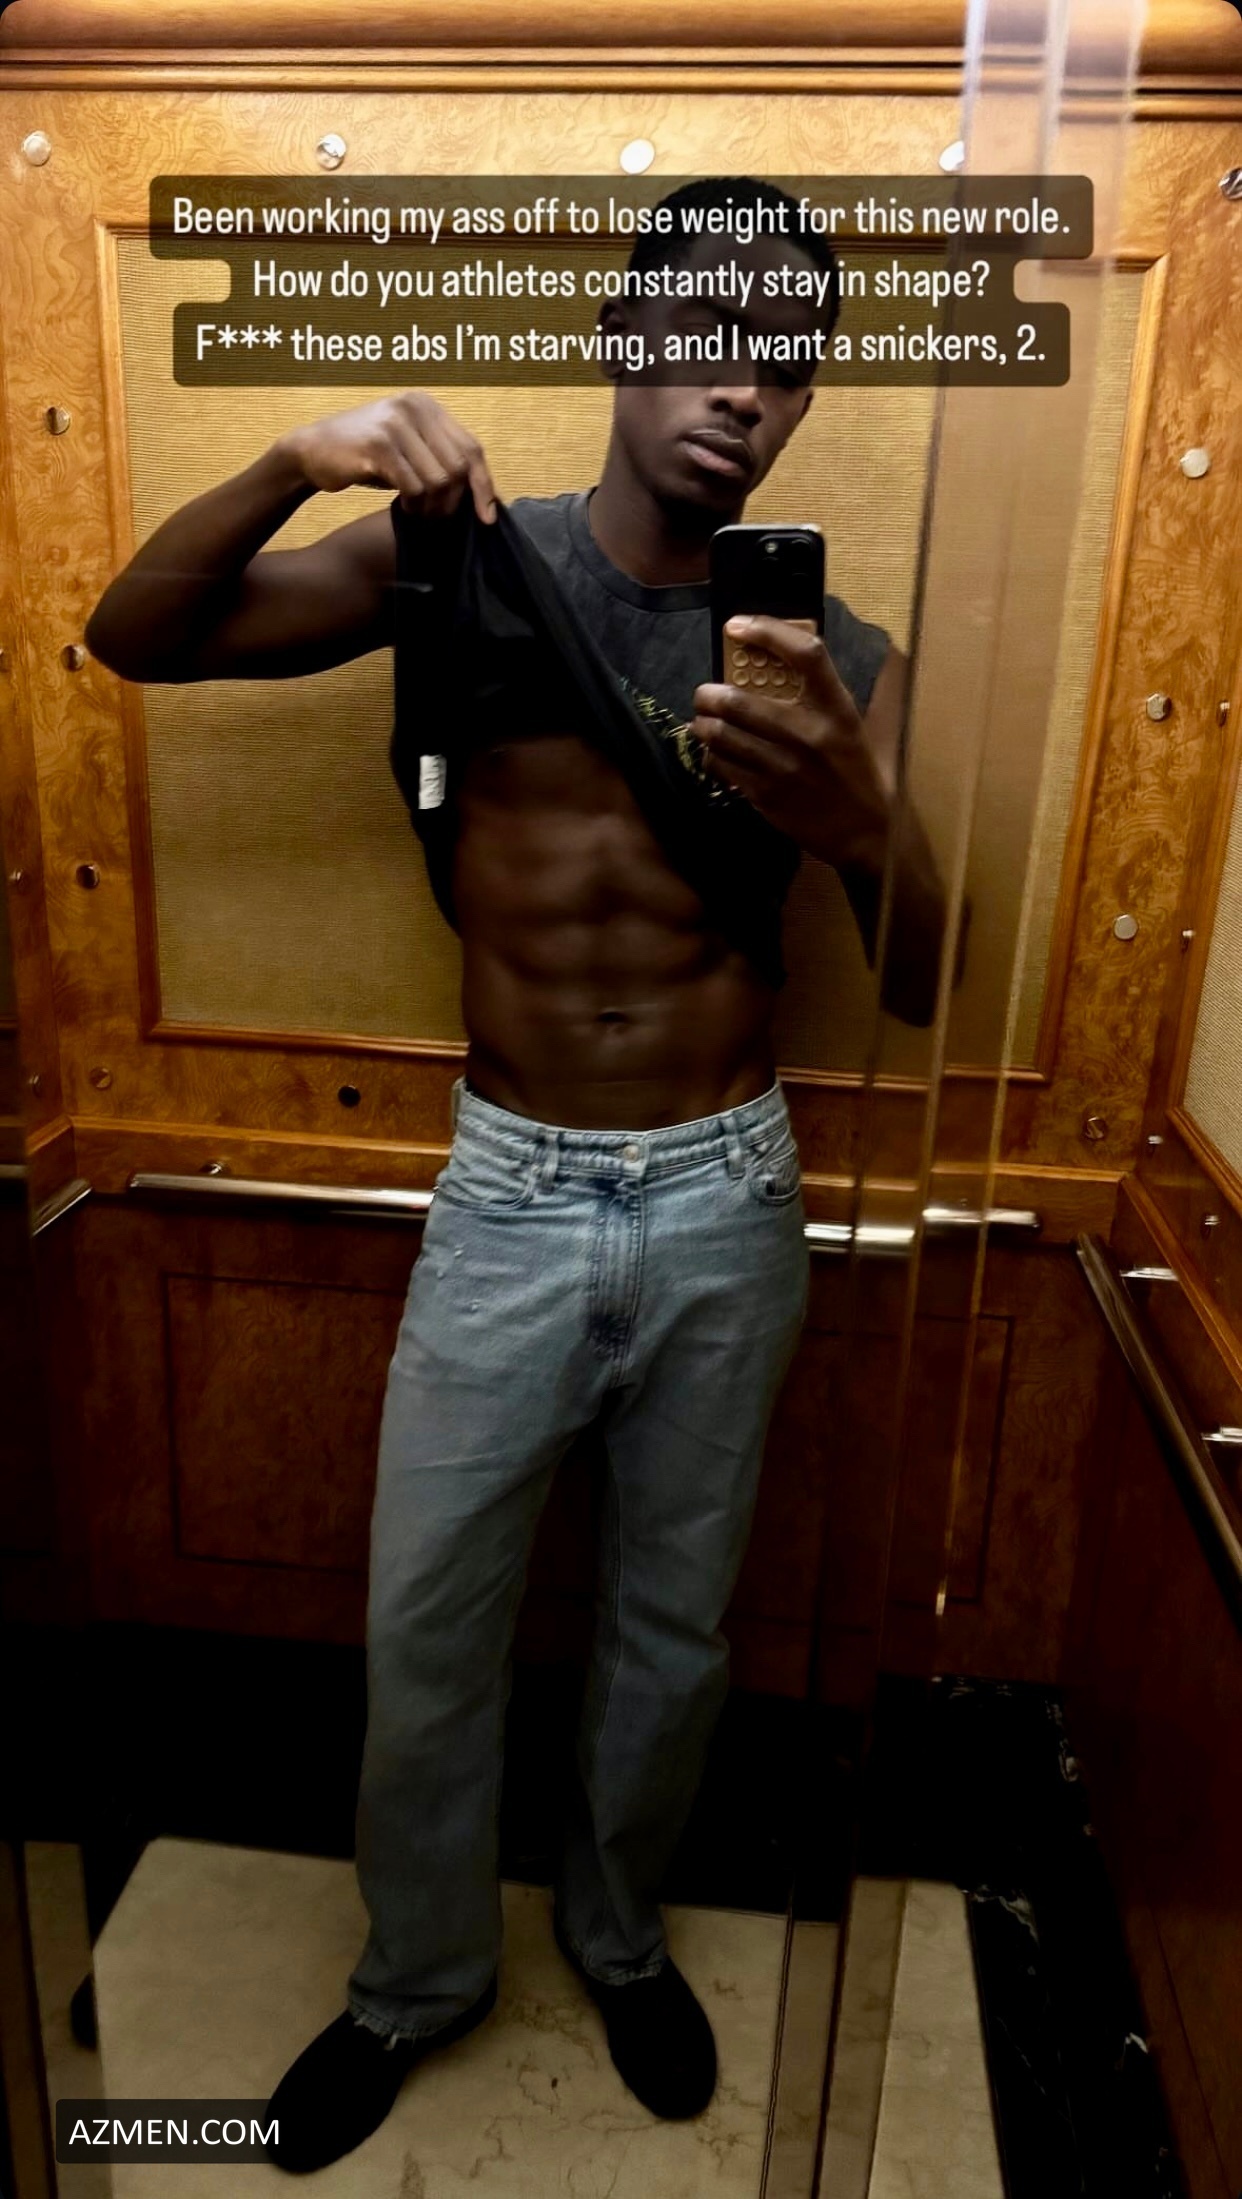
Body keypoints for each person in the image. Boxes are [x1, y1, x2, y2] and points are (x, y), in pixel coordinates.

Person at [85, 176, 947, 2175]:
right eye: (708, 336)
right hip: (512, 1186)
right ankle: (416, 1979)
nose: (742, 389)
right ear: (626, 340)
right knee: (429, 1626)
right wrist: (297, 455)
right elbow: (136, 635)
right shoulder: (456, 563)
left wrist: (861, 818)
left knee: (673, 1625)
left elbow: (923, 977)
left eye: (787, 363)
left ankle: (620, 1936)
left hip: (729, 1184)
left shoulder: (840, 651)